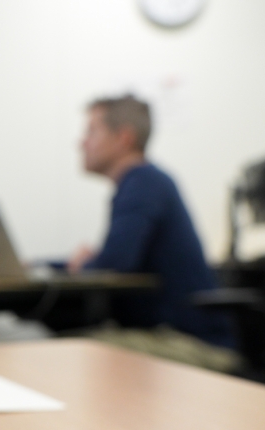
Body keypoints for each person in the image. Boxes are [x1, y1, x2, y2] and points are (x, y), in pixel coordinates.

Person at [68, 94, 237, 368]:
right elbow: (114, 258)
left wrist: (84, 263)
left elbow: (114, 265)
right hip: (174, 333)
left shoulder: (142, 183)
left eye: (91, 131)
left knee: (67, 352)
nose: (81, 143)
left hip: (191, 342)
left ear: (124, 137)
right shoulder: (145, 182)